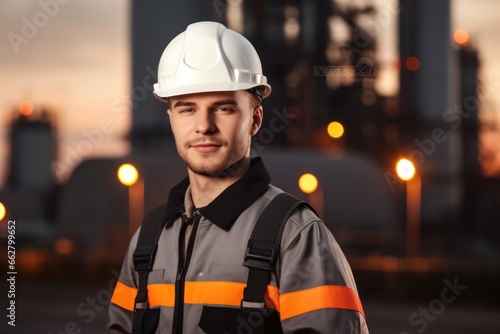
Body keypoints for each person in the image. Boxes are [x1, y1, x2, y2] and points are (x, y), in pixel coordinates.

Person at [108, 21, 368, 333]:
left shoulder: (296, 236)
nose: (204, 126)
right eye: (187, 109)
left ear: (255, 120)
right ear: (172, 119)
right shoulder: (149, 237)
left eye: (223, 109)